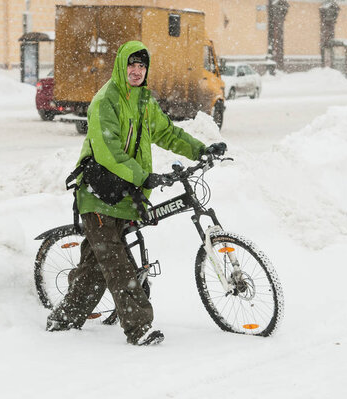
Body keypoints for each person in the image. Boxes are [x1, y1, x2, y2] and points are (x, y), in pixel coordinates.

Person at [46, 40, 226, 346]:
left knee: (96, 269)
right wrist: (145, 177)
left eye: (142, 66)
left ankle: (63, 318)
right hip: (99, 194)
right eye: (132, 64)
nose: (137, 70)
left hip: (125, 194)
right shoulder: (106, 101)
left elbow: (167, 132)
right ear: (121, 65)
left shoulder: (144, 101)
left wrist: (200, 149)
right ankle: (139, 327)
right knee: (118, 267)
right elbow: (109, 152)